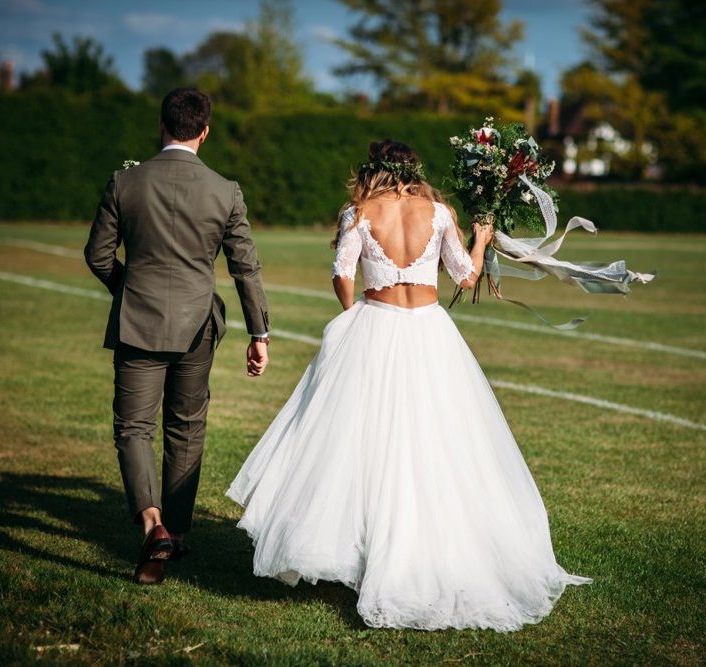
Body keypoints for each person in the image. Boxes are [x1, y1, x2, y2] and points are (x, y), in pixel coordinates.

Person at [226, 139, 591, 631]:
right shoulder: (438, 213)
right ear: (414, 169)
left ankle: (359, 548)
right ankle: (426, 546)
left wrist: (351, 313)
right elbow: (465, 277)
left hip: (375, 324)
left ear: (373, 169)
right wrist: (482, 236)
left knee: (359, 443)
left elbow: (341, 271)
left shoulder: (357, 211)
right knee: (435, 441)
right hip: (428, 330)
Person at [85, 88, 270, 585]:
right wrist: (260, 332)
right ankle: (178, 532)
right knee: (186, 426)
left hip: (137, 321)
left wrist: (130, 290)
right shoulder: (225, 190)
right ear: (204, 131)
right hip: (198, 327)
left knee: (134, 428)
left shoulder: (125, 182)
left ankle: (152, 524)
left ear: (161, 125)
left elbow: (98, 256)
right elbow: (245, 268)